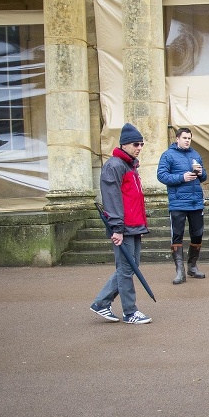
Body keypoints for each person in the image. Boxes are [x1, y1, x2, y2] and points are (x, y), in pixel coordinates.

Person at [89, 123, 153, 325]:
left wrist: (140, 226)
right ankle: (130, 312)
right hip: (123, 227)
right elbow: (112, 199)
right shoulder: (115, 165)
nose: (139, 147)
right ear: (124, 144)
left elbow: (134, 199)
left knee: (129, 268)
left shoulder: (129, 166)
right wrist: (117, 228)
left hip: (133, 226)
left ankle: (101, 302)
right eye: (136, 144)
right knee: (126, 270)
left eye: (142, 144)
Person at [157, 127, 208, 284]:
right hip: (178, 203)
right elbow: (161, 175)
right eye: (185, 138)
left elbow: (204, 176)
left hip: (196, 202)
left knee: (197, 235)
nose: (187, 140)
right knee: (177, 236)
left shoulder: (195, 154)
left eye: (189, 138)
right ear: (177, 139)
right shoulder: (168, 155)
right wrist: (181, 177)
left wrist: (200, 172)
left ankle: (192, 266)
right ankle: (180, 271)